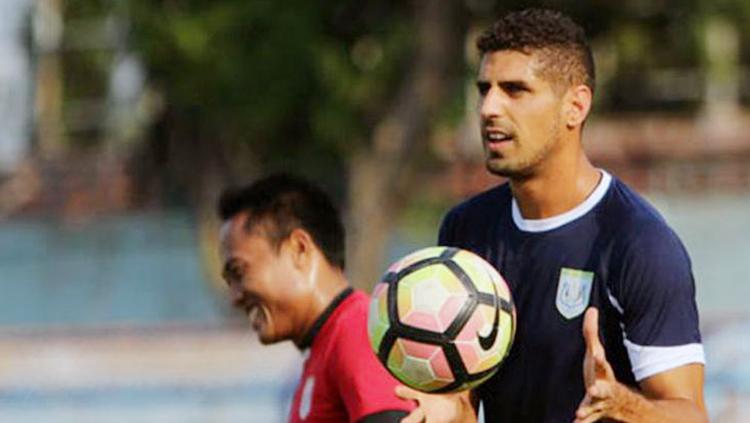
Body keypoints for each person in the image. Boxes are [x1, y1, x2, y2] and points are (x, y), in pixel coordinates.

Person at [396, 8, 707, 423]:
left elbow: (691, 415)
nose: (489, 107)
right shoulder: (466, 229)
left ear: (575, 107)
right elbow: (467, 403)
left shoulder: (638, 244)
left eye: (515, 90)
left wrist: (620, 403)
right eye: (484, 89)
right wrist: (446, 410)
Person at [218, 173, 414, 423]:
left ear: (298, 248)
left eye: (239, 272)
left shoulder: (358, 331)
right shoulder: (325, 347)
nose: (234, 297)